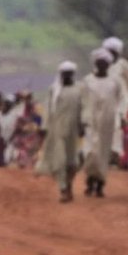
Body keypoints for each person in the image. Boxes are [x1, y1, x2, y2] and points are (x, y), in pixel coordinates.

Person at [79, 52, 125, 199]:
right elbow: (82, 101)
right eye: (99, 62)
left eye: (104, 62)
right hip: (90, 122)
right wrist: (80, 121)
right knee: (90, 153)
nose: (102, 64)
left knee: (103, 154)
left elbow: (122, 99)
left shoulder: (115, 81)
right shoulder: (87, 81)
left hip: (107, 122)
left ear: (108, 64)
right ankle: (90, 180)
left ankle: (99, 184)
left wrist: (120, 116)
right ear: (95, 63)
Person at [38, 63, 83, 203]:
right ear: (61, 74)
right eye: (65, 73)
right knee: (59, 160)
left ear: (73, 74)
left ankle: (68, 185)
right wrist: (44, 127)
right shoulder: (54, 89)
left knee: (73, 163)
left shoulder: (79, 89)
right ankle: (63, 189)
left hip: (73, 131)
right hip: (56, 130)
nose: (67, 75)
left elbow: (83, 108)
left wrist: (83, 124)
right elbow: (48, 109)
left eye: (70, 73)